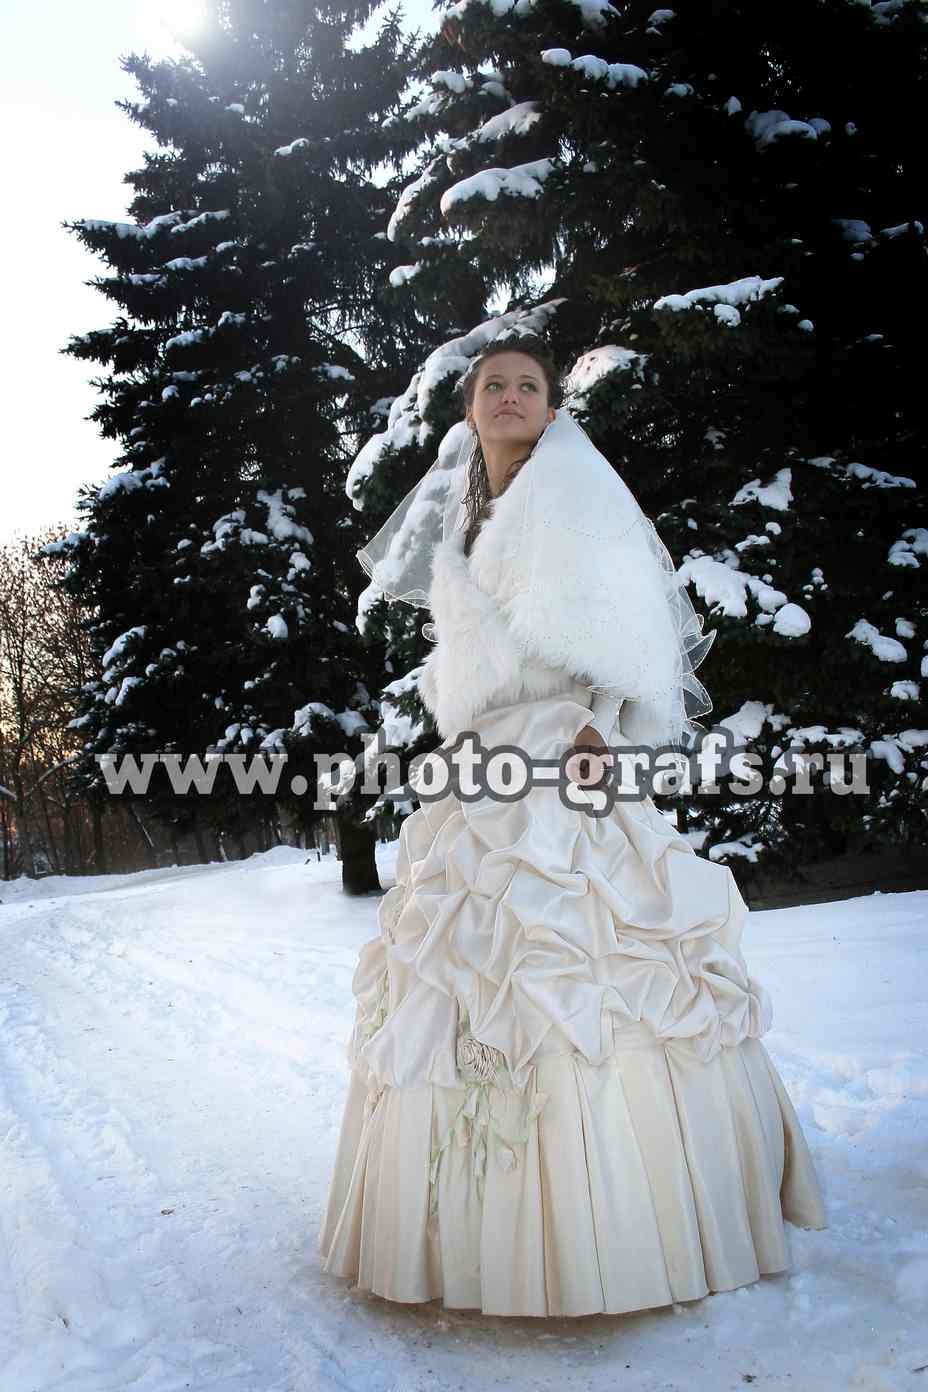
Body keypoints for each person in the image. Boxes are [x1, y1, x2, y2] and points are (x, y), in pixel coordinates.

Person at [318, 332, 827, 1318]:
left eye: (527, 386)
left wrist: (599, 724)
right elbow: (463, 656)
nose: (509, 397)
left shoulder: (579, 494)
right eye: (492, 385)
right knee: (463, 964)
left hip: (568, 750)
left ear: (551, 408)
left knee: (587, 951)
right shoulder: (464, 514)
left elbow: (629, 621)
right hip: (482, 767)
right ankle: (475, 1231)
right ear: (470, 408)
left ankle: (629, 1223)